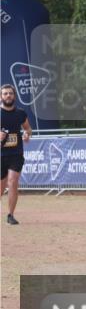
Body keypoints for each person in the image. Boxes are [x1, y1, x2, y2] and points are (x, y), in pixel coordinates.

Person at [1, 84, 31, 225]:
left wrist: (26, 134)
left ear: (14, 96)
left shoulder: (20, 113)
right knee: (1, 187)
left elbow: (28, 129)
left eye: (10, 93)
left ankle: (10, 215)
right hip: (1, 155)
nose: (8, 96)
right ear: (1, 96)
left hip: (16, 154)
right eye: (5, 93)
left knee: (13, 182)